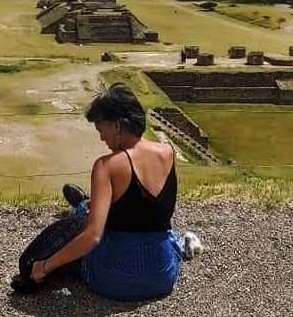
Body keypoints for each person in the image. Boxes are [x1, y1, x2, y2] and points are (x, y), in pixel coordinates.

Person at [12, 83, 183, 301]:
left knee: (82, 222)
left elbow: (92, 237)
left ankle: (83, 206)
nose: (102, 138)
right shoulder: (167, 153)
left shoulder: (106, 166)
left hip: (115, 280)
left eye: (101, 128)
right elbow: (153, 212)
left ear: (118, 126)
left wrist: (45, 266)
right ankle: (87, 203)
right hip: (163, 276)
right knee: (100, 210)